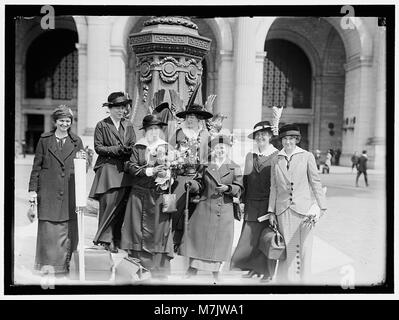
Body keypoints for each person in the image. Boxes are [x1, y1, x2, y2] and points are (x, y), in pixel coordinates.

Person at [28, 105, 85, 275]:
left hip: (68, 192)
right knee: (48, 230)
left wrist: (84, 161)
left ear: (71, 122)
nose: (64, 124)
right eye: (61, 120)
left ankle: (64, 266)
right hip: (48, 191)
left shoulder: (77, 141)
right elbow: (36, 168)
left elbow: (83, 168)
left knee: (67, 228)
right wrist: (32, 191)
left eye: (67, 121)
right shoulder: (44, 140)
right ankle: (46, 266)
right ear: (55, 122)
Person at [268, 124, 327, 284]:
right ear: (281, 140)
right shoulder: (275, 159)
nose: (288, 142)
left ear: (297, 140)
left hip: (304, 212)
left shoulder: (307, 156)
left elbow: (315, 181)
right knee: (287, 250)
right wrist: (271, 211)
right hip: (283, 211)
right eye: (285, 139)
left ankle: (303, 284)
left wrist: (321, 207)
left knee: (304, 250)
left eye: (291, 139)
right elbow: (273, 187)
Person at [183, 135, 243, 282]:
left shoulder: (235, 167)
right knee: (199, 239)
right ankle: (192, 269)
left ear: (228, 149)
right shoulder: (205, 165)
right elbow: (199, 183)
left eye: (223, 148)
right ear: (213, 150)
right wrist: (192, 185)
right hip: (205, 206)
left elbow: (239, 188)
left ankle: (216, 273)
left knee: (220, 242)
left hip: (224, 209)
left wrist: (228, 188)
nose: (220, 150)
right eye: (217, 148)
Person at [121, 114, 174, 280]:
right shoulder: (139, 147)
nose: (153, 131)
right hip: (140, 194)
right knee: (137, 230)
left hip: (158, 195)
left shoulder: (166, 147)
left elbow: (172, 169)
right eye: (150, 128)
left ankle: (159, 269)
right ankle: (140, 267)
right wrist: (150, 171)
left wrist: (167, 177)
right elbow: (131, 167)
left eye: (156, 128)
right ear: (145, 131)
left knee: (159, 231)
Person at [230, 121, 278, 283]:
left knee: (266, 238)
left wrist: (274, 208)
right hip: (251, 202)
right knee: (250, 237)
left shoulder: (277, 155)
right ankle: (252, 268)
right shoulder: (250, 155)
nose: (260, 138)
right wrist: (242, 201)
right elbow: (246, 179)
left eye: (263, 135)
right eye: (257, 136)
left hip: (268, 204)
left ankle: (267, 272)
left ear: (270, 136)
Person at [89, 92, 136, 253]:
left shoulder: (128, 125)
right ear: (110, 108)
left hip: (124, 170)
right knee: (109, 204)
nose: (121, 111)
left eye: (123, 108)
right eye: (117, 107)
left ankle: (115, 239)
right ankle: (104, 239)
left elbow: (133, 144)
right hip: (108, 169)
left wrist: (129, 150)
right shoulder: (101, 125)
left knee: (121, 206)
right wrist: (117, 149)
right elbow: (98, 147)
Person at [171, 103, 212, 252]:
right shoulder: (178, 133)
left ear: (199, 119)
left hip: (199, 176)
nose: (190, 120)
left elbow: (209, 156)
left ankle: (189, 243)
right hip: (181, 176)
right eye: (188, 117)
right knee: (176, 208)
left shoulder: (206, 135)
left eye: (193, 117)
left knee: (195, 210)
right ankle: (173, 240)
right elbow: (169, 151)